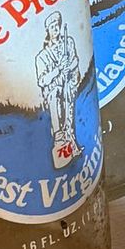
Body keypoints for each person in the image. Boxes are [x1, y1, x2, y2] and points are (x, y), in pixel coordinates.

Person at [35, 10, 82, 169]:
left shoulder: (68, 43)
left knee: (70, 111)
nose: (56, 29)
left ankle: (71, 141)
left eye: (57, 26)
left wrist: (70, 67)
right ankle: (59, 139)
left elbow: (75, 60)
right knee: (55, 95)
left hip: (69, 86)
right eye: (52, 27)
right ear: (47, 30)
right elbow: (42, 81)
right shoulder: (41, 56)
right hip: (54, 92)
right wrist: (58, 70)